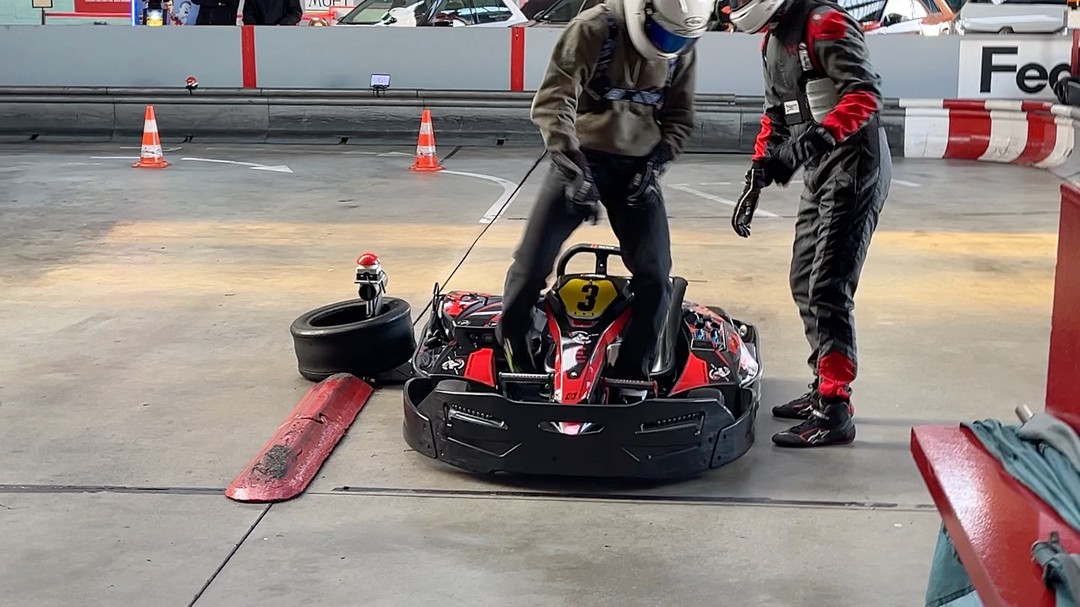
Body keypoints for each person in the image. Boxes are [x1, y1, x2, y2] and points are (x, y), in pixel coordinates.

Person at [496, 0, 712, 402]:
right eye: (664, 36)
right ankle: (518, 365)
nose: (670, 45)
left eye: (678, 40)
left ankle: (633, 373)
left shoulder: (680, 42)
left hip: (637, 170)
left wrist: (657, 164)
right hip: (580, 160)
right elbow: (553, 102)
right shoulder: (593, 29)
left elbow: (680, 116)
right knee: (529, 269)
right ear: (641, 14)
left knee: (655, 276)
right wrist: (574, 166)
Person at [727, 0, 892, 447]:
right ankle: (822, 380)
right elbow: (775, 116)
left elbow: (864, 95)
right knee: (803, 279)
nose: (730, 8)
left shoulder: (824, 23)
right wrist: (756, 177)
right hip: (822, 167)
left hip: (856, 163)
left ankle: (835, 408)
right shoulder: (772, 40)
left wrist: (805, 147)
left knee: (827, 286)